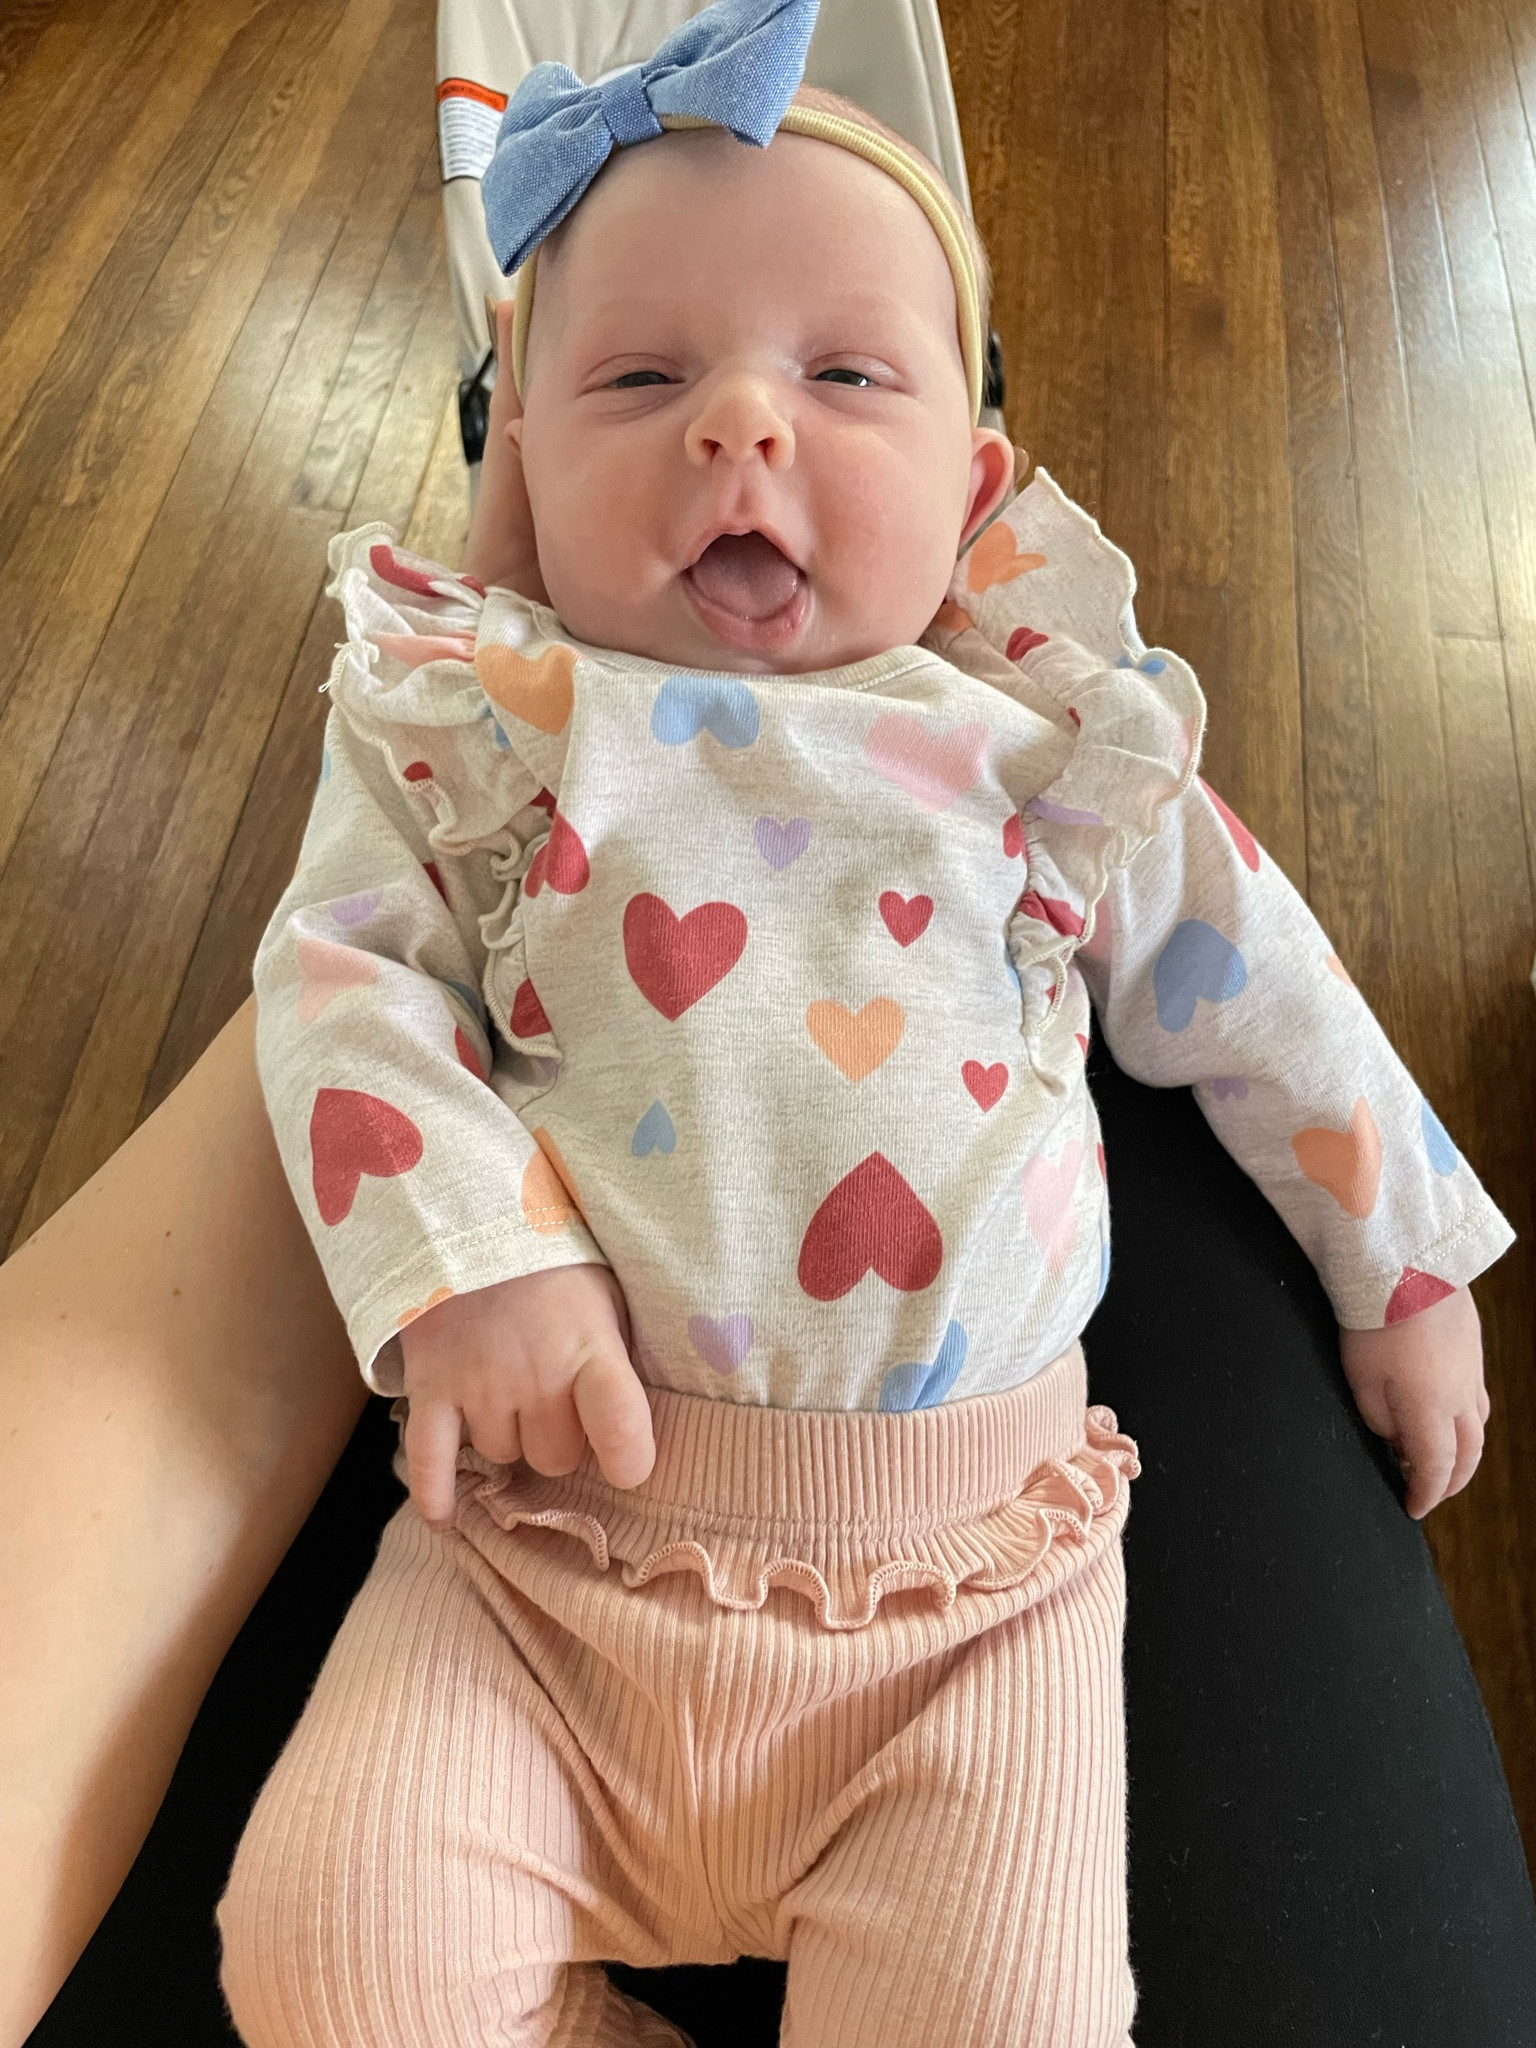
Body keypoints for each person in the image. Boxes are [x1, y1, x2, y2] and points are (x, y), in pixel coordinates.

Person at [205, 2, 1517, 2042]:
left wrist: (1401, 1254)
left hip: (968, 1622)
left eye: (843, 376)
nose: (745, 422)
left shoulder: (1027, 734)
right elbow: (343, 972)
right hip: (542, 1583)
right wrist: (467, 1255)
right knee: (326, 1952)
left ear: (978, 482)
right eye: (644, 376)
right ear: (523, 466)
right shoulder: (484, 722)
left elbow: (1250, 973)